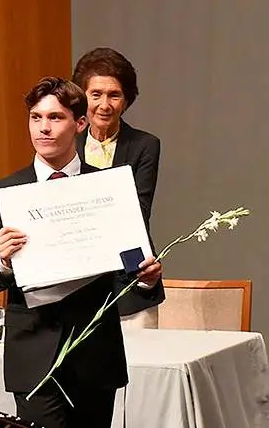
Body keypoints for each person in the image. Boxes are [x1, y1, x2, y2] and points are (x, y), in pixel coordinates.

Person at [0, 77, 162, 428]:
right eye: (35, 117)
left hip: (94, 355)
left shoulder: (107, 188)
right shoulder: (4, 191)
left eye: (56, 118)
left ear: (80, 124)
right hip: (33, 356)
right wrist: (3, 261)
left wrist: (146, 278)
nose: (43, 128)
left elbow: (131, 266)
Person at [72, 47, 165, 329]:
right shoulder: (65, 144)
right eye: (95, 94)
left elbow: (139, 210)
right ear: (82, 97)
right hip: (76, 283)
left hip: (131, 279)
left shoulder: (144, 145)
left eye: (114, 95)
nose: (104, 104)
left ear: (126, 101)